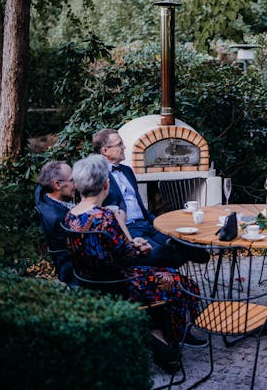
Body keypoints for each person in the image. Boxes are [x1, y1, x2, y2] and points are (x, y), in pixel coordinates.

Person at [63, 154, 206, 374]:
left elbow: (109, 249)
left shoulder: (71, 215)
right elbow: (127, 256)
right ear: (106, 184)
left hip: (90, 282)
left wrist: (132, 243)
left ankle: (156, 334)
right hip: (120, 284)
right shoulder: (104, 218)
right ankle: (169, 344)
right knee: (181, 283)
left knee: (163, 271)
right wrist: (140, 246)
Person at [92, 128, 208, 268]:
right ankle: (172, 263)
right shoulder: (98, 176)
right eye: (119, 144)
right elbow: (98, 211)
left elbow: (139, 204)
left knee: (182, 244)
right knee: (162, 254)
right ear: (105, 151)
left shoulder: (127, 171)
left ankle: (180, 251)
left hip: (146, 224)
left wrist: (156, 222)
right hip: (129, 229)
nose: (124, 147)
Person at [35, 160, 76, 284]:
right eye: (73, 180)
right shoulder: (61, 218)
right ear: (57, 185)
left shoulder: (42, 194)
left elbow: (38, 188)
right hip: (74, 272)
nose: (77, 184)